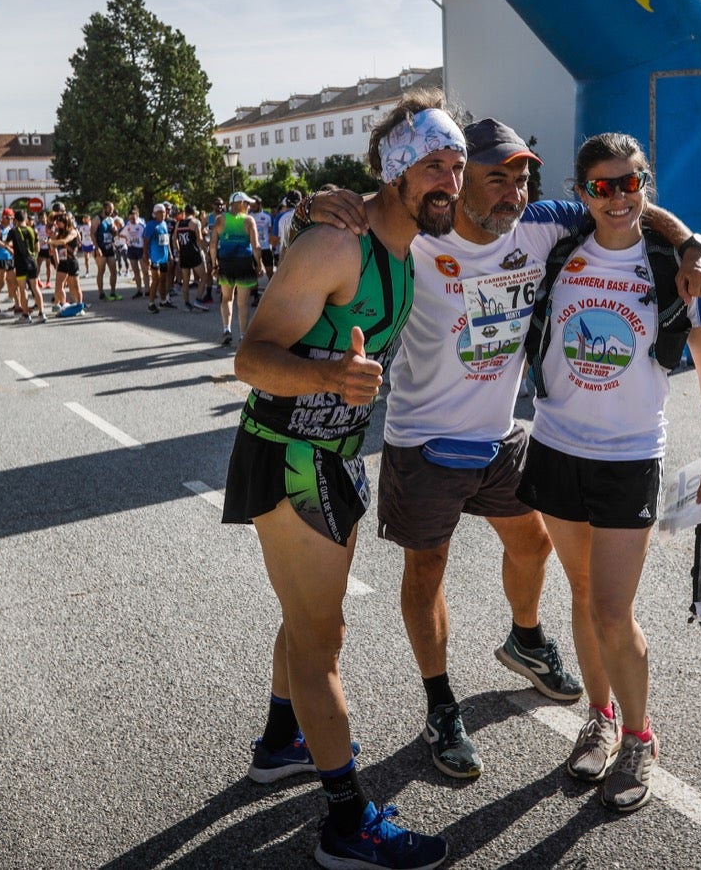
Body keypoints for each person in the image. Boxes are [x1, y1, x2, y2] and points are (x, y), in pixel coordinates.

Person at [304, 118, 701, 781]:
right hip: (423, 441)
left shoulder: (543, 224)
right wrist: (316, 202)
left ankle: (525, 638)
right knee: (426, 572)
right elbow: (360, 219)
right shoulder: (415, 238)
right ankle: (441, 703)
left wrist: (692, 242)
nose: (515, 192)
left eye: (523, 175)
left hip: (501, 434)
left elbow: (622, 198)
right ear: (459, 180)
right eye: (498, 177)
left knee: (532, 545)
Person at [223, 93, 464, 870]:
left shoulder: (401, 241)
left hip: (333, 455)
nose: (450, 182)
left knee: (310, 618)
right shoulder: (337, 242)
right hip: (289, 456)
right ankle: (344, 822)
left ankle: (281, 740)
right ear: (395, 168)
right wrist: (330, 375)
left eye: (456, 167)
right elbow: (251, 359)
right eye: (434, 165)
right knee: (323, 637)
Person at [517, 132, 701, 813]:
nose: (617, 197)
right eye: (602, 186)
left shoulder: (677, 266)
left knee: (614, 608)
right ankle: (601, 719)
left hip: (629, 455)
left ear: (646, 184)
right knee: (581, 595)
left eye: (630, 183)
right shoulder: (556, 250)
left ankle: (639, 736)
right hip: (554, 445)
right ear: (583, 193)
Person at [213, 192, 264, 346]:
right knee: (243, 303)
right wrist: (259, 264)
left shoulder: (220, 219)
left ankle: (226, 330)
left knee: (226, 298)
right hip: (244, 263)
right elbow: (256, 246)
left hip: (226, 263)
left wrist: (214, 264)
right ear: (240, 203)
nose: (249, 207)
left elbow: (212, 245)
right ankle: (243, 335)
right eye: (247, 204)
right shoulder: (249, 221)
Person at [173, 205, 207, 312]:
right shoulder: (196, 222)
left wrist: (179, 251)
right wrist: (205, 252)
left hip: (184, 253)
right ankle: (198, 300)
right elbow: (200, 239)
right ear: (194, 212)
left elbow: (175, 240)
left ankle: (187, 303)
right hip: (194, 253)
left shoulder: (179, 223)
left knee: (186, 280)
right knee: (204, 276)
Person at [145, 204, 173, 313]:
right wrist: (146, 257)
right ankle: (151, 303)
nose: (163, 214)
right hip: (155, 257)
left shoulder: (164, 224)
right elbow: (146, 242)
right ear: (155, 214)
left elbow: (167, 240)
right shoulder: (151, 225)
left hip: (164, 257)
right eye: (161, 212)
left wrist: (170, 254)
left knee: (163, 280)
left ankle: (163, 300)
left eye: (164, 212)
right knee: (155, 280)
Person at [93, 201, 122, 301]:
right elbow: (92, 234)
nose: (111, 211)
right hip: (101, 248)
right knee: (101, 270)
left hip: (110, 247)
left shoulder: (111, 219)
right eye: (110, 209)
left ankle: (113, 292)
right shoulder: (97, 219)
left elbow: (114, 233)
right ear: (104, 208)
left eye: (112, 209)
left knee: (113, 270)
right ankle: (101, 293)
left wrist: (115, 231)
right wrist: (96, 248)